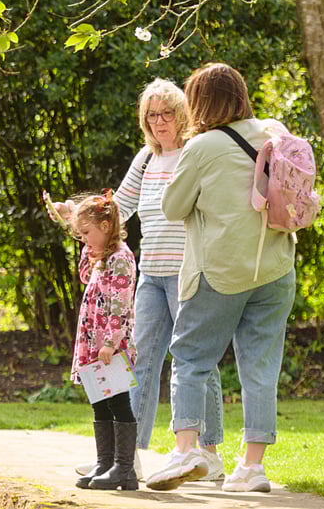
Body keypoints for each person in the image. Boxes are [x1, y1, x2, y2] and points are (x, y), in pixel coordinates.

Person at [146, 63, 296, 493]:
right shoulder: (272, 131)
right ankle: (252, 468)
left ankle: (187, 447)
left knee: (191, 357)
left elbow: (173, 207)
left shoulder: (202, 147)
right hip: (275, 268)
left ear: (200, 102)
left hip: (220, 270)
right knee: (261, 367)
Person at [73, 80, 227, 481]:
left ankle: (208, 455)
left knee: (195, 360)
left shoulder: (195, 153)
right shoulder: (146, 158)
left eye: (167, 113)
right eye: (152, 115)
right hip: (150, 275)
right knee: (133, 361)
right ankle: (129, 457)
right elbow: (117, 209)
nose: (159, 122)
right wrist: (76, 215)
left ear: (182, 114)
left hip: (189, 272)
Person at [49, 191, 139, 491]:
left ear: (105, 225)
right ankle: (105, 462)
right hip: (93, 342)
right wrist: (86, 245)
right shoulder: (100, 257)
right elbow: (85, 276)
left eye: (86, 233)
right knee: (100, 401)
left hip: (110, 346)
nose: (84, 239)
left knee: (118, 400)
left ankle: (125, 469)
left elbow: (121, 302)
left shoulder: (122, 258)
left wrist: (111, 342)